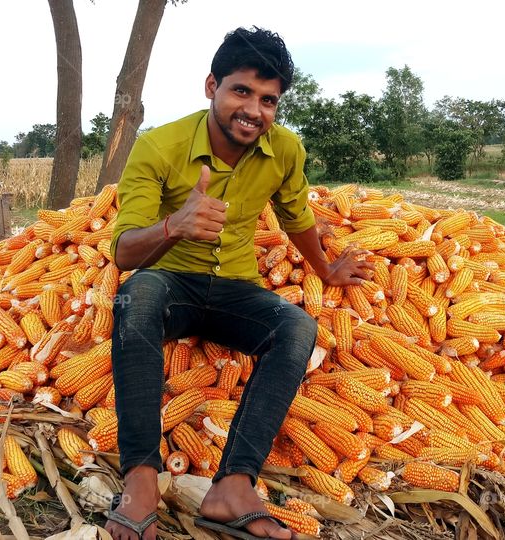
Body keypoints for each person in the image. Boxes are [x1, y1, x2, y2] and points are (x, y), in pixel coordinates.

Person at [106, 27, 372, 540]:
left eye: (268, 100)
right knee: (136, 298)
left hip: (234, 289)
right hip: (170, 282)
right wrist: (173, 226)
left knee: (297, 327)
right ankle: (140, 476)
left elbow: (296, 216)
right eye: (241, 91)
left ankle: (232, 485)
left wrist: (325, 270)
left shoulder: (284, 149)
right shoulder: (159, 147)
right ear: (212, 86)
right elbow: (123, 252)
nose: (253, 110)